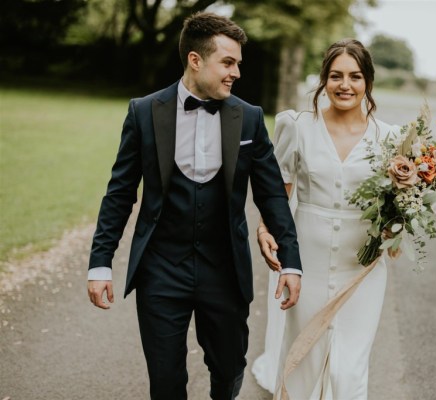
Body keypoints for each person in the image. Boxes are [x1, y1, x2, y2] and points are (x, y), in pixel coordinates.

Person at [86, 12, 302, 400]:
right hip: (160, 268)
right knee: (166, 381)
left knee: (229, 367)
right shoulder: (144, 112)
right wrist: (100, 263)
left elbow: (270, 194)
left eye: (238, 63)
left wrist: (290, 260)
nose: (236, 72)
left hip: (225, 268)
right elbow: (120, 193)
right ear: (195, 60)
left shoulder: (249, 119)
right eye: (228, 62)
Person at [252, 39, 397, 399]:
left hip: (361, 264)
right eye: (336, 76)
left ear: (368, 83)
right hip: (306, 258)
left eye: (355, 76)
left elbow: (397, 207)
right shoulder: (298, 126)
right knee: (304, 356)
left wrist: (398, 222)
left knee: (349, 368)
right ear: (323, 80)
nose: (345, 85)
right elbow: (278, 192)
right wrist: (264, 227)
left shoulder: (390, 138)